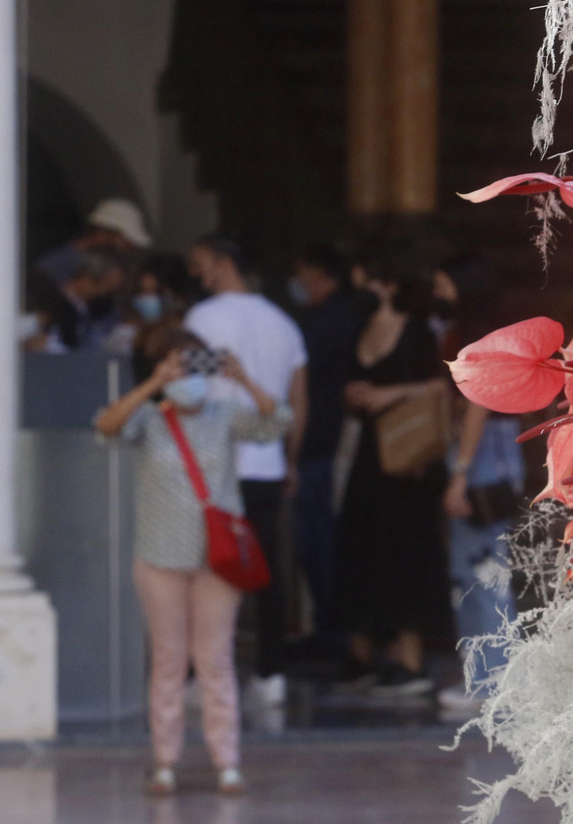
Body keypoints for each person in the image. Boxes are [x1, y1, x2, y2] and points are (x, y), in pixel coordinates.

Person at [95, 330, 290, 797]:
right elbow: (106, 425)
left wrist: (243, 379)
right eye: (176, 367)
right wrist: (152, 385)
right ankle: (165, 762)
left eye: (192, 366)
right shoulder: (149, 417)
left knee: (216, 660)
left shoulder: (226, 414)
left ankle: (228, 762)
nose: (187, 377)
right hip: (160, 556)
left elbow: (278, 421)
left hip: (217, 560)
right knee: (167, 660)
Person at [185, 235, 308, 707]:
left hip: (214, 467)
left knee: (211, 568)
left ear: (221, 263)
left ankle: (206, 672)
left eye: (201, 265)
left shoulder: (202, 318)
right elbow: (298, 400)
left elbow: (190, 389)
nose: (198, 275)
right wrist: (290, 458)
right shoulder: (283, 324)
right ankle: (271, 672)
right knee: (267, 570)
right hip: (268, 463)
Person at [336, 250, 452, 696]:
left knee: (408, 551)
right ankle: (363, 650)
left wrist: (386, 395)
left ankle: (409, 656)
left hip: (408, 457)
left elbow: (438, 386)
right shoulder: (360, 328)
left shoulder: (417, 329)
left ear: (384, 282)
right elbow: (349, 387)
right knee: (361, 548)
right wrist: (357, 394)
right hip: (368, 456)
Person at [434, 257, 525, 716]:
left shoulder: (475, 341)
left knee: (480, 571)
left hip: (482, 457)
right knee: (485, 568)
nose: (439, 290)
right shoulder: (497, 336)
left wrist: (460, 473)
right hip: (500, 453)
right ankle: (491, 673)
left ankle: (491, 679)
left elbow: (476, 405)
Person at [287, 244, 364, 661]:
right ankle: (328, 628)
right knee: (314, 539)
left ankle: (332, 631)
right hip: (321, 441)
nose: (298, 283)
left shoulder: (329, 321)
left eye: (302, 273)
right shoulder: (339, 317)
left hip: (324, 443)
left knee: (319, 540)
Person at [34, 198, 151, 285]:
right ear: (103, 234)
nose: (128, 252)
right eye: (127, 244)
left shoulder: (103, 265)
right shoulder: (58, 264)